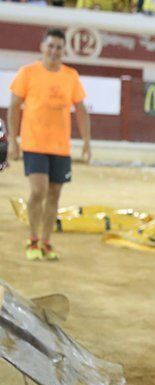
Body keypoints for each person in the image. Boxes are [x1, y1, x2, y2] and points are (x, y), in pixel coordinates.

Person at [7, 28, 91, 261]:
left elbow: (81, 110)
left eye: (59, 48)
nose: (54, 51)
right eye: (51, 46)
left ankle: (46, 242)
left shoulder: (70, 76)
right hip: (34, 144)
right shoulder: (28, 73)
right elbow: (14, 107)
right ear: (42, 47)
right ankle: (33, 240)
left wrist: (86, 142)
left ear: (64, 51)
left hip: (60, 147)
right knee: (38, 191)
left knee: (54, 195)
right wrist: (13, 141)